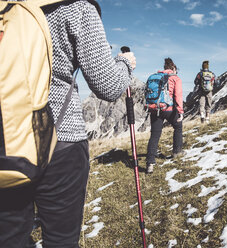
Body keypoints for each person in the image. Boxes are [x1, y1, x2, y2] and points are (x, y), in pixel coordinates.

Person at [0, 1, 136, 247]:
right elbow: (108, 85)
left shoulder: (5, 7)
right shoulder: (77, 7)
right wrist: (125, 63)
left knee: (8, 237)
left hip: (7, 139)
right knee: (60, 239)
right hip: (61, 142)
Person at [146, 58, 184, 174]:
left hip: (155, 109)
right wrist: (180, 112)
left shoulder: (155, 77)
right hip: (168, 109)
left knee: (155, 135)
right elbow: (178, 96)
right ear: (173, 68)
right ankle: (177, 152)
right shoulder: (175, 78)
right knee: (178, 126)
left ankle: (150, 163)